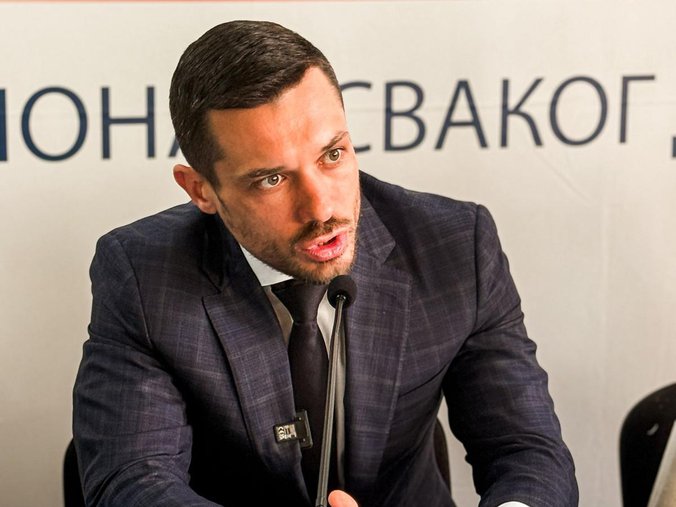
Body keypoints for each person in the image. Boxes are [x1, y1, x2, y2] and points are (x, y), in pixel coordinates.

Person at [73, 20, 578, 507]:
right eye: (271, 179)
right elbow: (132, 479)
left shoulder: (453, 244)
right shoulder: (143, 274)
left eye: (332, 155)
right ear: (201, 189)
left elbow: (526, 450)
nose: (321, 210)